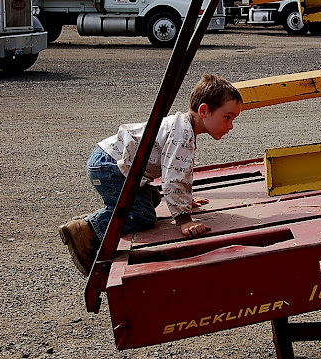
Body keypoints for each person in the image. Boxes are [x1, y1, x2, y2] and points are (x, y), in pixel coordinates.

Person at [59, 74, 243, 276]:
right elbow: (174, 177)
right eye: (227, 117)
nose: (230, 126)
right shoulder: (182, 136)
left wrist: (185, 200)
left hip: (110, 160)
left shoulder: (183, 127)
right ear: (204, 110)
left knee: (152, 199)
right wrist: (184, 219)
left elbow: (176, 174)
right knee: (142, 216)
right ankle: (86, 228)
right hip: (110, 168)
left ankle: (95, 220)